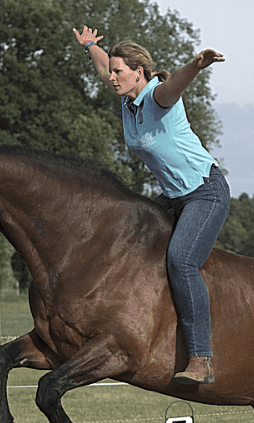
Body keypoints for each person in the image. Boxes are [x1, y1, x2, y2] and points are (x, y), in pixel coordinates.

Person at [73, 25, 230, 385]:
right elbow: (101, 66)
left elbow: (173, 85)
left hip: (205, 192)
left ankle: (201, 358)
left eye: (119, 72)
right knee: (126, 243)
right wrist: (90, 46)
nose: (112, 78)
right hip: (173, 199)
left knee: (181, 261)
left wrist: (195, 66)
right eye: (112, 72)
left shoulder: (157, 98)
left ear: (139, 73)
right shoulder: (127, 100)